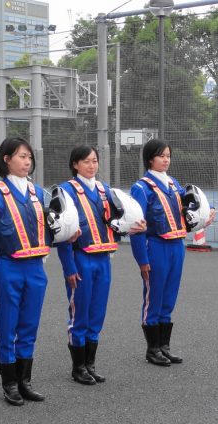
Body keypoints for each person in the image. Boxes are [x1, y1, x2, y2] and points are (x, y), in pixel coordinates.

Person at [0, 137, 61, 406]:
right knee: (7, 326)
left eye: (29, 157)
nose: (27, 162)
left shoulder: (36, 192)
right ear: (6, 159)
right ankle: (9, 383)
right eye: (22, 156)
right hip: (7, 267)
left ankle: (25, 381)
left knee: (29, 325)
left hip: (35, 268)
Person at [56, 146, 147, 385]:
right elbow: (63, 233)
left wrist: (132, 227)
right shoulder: (65, 191)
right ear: (75, 164)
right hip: (80, 258)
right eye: (86, 161)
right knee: (80, 314)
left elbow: (116, 223)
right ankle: (78, 367)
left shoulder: (105, 190)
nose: (91, 165)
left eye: (95, 161)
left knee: (97, 313)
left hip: (103, 258)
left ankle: (90, 364)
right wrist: (69, 268)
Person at [130, 139, 215, 366]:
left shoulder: (174, 183)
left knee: (169, 297)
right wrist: (142, 260)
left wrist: (204, 217)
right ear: (150, 159)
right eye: (161, 156)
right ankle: (152, 349)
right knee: (154, 297)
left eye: (168, 155)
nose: (166, 159)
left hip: (177, 246)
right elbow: (136, 227)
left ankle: (164, 347)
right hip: (155, 246)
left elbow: (187, 214)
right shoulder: (141, 187)